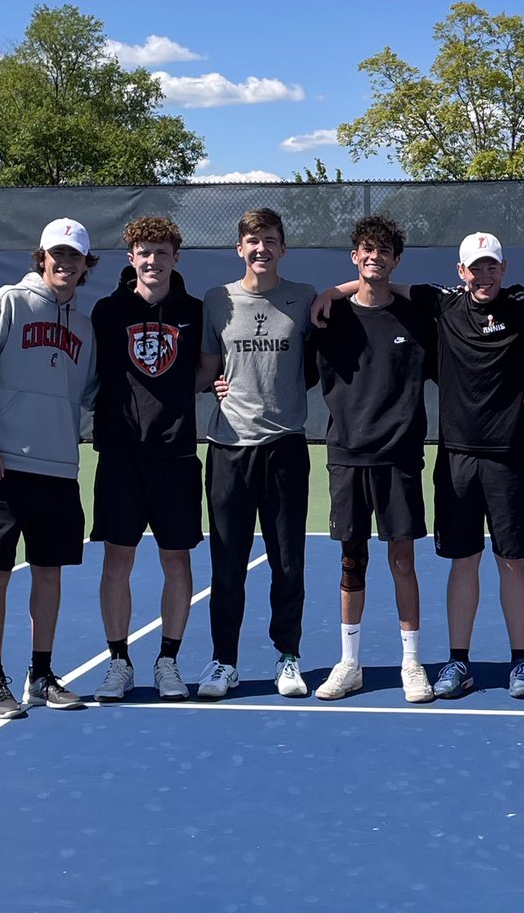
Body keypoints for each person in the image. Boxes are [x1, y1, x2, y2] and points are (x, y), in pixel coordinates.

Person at [313, 231, 524, 701]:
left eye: (492, 266)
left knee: (512, 562)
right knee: (463, 562)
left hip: (509, 457)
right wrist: (332, 292)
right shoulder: (441, 304)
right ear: (461, 272)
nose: (483, 275)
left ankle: (521, 662)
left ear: (503, 270)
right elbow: (378, 283)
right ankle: (459, 661)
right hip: (454, 457)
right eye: (475, 267)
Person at [0, 218, 98, 719]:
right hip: (3, 464)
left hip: (59, 468)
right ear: (40, 257)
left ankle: (41, 674)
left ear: (86, 265)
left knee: (49, 574)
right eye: (56, 254)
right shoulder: (7, 303)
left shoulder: (84, 327)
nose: (64, 263)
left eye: (74, 256)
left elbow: (93, 393)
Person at [311, 215, 437, 703]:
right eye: (366, 249)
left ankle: (411, 663)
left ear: (396, 259)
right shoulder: (328, 315)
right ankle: (350, 664)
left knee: (403, 560)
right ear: (354, 255)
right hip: (346, 455)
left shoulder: (418, 315)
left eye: (383, 250)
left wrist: (338, 288)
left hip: (400, 457)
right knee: (351, 560)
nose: (374, 257)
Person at [89, 216, 213, 703]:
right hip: (120, 456)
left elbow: (207, 368)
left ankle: (168, 662)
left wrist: (184, 396)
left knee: (175, 560)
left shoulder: (196, 311)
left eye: (162, 252)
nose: (153, 261)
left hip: (177, 455)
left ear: (175, 259)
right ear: (131, 258)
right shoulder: (106, 311)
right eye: (144, 252)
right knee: (117, 560)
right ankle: (118, 662)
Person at [196, 208, 317, 699]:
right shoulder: (215, 301)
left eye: (270, 240)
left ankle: (288, 657)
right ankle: (224, 662)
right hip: (228, 448)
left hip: (286, 447)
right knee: (227, 564)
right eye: (252, 241)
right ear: (239, 249)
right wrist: (213, 383)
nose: (261, 248)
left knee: (289, 562)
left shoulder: (305, 298)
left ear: (282, 248)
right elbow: (205, 370)